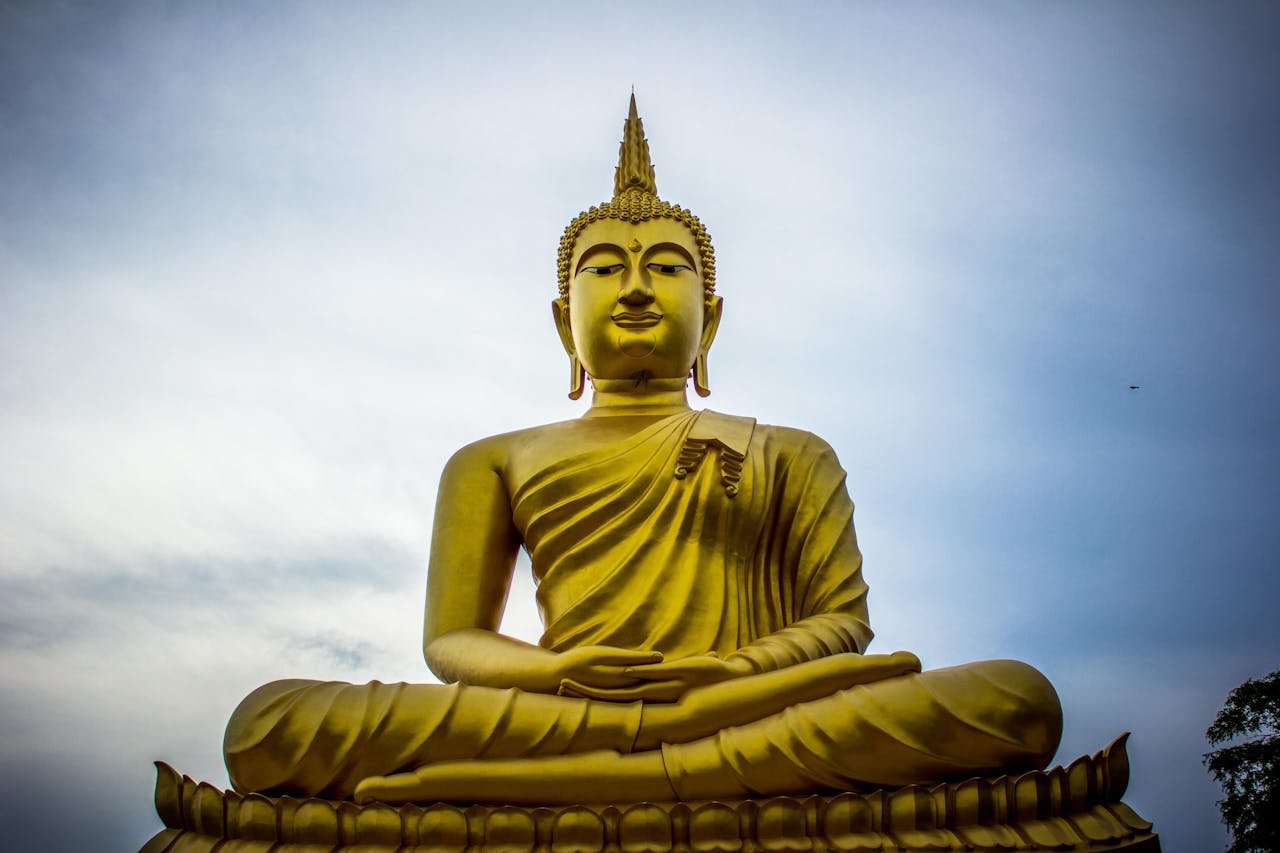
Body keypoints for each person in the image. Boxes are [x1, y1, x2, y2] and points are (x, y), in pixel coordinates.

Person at [224, 96, 1062, 805]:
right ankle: (672, 760)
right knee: (268, 723)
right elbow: (451, 643)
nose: (632, 288)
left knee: (1015, 700)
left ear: (713, 316)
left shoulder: (792, 451)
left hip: (751, 702)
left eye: (665, 268)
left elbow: (842, 621)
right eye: (604, 270)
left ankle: (604, 770)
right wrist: (557, 675)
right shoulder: (493, 458)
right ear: (563, 320)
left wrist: (727, 677)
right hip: (568, 706)